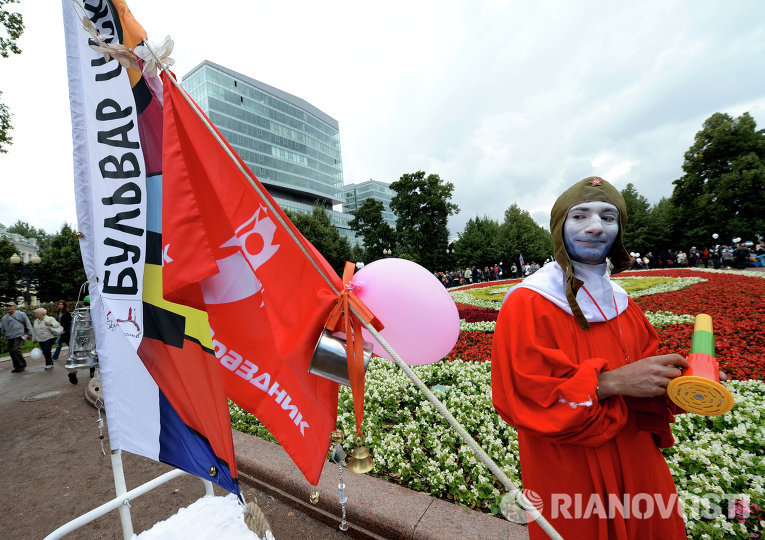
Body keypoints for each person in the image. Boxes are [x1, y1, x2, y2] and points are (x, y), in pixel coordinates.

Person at [492, 177, 692, 539]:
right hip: (569, 466)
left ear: (619, 231)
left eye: (608, 216)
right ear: (559, 228)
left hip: (637, 457)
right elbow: (520, 394)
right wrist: (610, 382)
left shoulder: (623, 303)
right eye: (580, 216)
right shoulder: (527, 302)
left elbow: (649, 373)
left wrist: (685, 383)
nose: (595, 226)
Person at [1, 301, 32, 373]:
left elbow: (28, 323)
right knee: (12, 352)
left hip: (18, 335)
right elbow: (1, 327)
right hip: (9, 336)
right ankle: (17, 367)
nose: (8, 308)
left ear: (14, 307)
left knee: (15, 349)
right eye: (7, 306)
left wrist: (30, 333)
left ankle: (22, 365)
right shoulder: (5, 317)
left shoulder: (21, 314)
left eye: (10, 306)